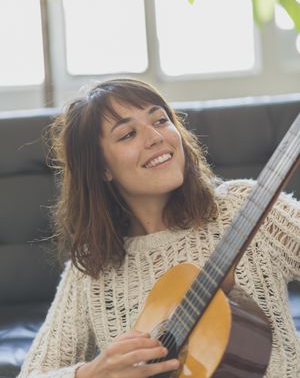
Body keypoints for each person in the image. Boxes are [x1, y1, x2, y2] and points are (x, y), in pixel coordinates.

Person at [18, 77, 300, 378]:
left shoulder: (246, 207)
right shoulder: (92, 266)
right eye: (127, 134)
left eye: (161, 120)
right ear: (101, 168)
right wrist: (91, 373)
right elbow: (34, 373)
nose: (155, 137)